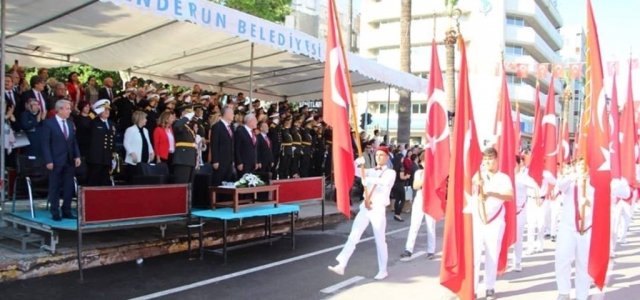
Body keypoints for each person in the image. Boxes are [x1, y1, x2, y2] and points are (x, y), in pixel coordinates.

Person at [548, 160, 629, 300]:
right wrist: (575, 176)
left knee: (583, 266)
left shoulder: (596, 183)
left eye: (585, 165)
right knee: (562, 259)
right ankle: (564, 292)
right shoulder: (570, 181)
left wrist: (611, 180)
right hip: (568, 228)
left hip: (587, 229)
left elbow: (625, 193)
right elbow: (559, 186)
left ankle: (582, 296)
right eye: (579, 165)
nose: (582, 168)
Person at [328, 146, 396, 280]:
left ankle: (383, 269)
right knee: (354, 235)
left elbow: (385, 182)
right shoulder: (371, 171)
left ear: (387, 157)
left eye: (382, 155)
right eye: (377, 155)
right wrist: (356, 162)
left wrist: (369, 180)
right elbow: (355, 172)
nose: (379, 157)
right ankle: (342, 263)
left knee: (380, 240)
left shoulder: (390, 172)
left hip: (377, 208)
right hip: (365, 207)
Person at [465, 147, 513, 300]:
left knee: (492, 254)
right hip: (478, 221)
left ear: (496, 159)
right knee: (475, 256)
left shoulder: (503, 177)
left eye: (490, 158)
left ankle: (489, 287)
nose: (487, 162)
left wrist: (491, 193)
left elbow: (510, 196)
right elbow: (467, 192)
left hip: (495, 221)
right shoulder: (477, 176)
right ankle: (471, 288)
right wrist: (475, 184)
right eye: (485, 159)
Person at [41, 100, 81, 221]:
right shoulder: (49, 123)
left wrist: (77, 156)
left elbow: (73, 141)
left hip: (68, 160)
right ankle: (55, 211)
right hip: (55, 160)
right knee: (54, 186)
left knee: (68, 186)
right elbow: (45, 143)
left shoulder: (69, 123)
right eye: (68, 109)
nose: (70, 111)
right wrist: (48, 160)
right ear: (60, 109)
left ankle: (66, 210)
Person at [400, 151, 436, 260]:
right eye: (424, 161)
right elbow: (415, 186)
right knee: (414, 225)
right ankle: (408, 249)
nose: (426, 163)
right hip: (420, 198)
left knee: (431, 226)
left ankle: (431, 251)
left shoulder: (436, 172)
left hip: (431, 200)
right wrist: (425, 179)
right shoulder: (419, 172)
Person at [86, 99, 117, 186]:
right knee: (94, 181)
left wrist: (113, 155)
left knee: (105, 181)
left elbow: (112, 140)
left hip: (107, 157)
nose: (107, 111)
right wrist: (94, 113)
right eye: (104, 109)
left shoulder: (111, 124)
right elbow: (83, 124)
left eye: (108, 110)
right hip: (96, 158)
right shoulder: (94, 122)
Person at [172, 104, 199, 184]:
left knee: (189, 184)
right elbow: (177, 127)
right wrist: (186, 118)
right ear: (183, 113)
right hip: (182, 158)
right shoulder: (177, 122)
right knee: (181, 183)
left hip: (190, 157)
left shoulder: (188, 125)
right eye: (188, 112)